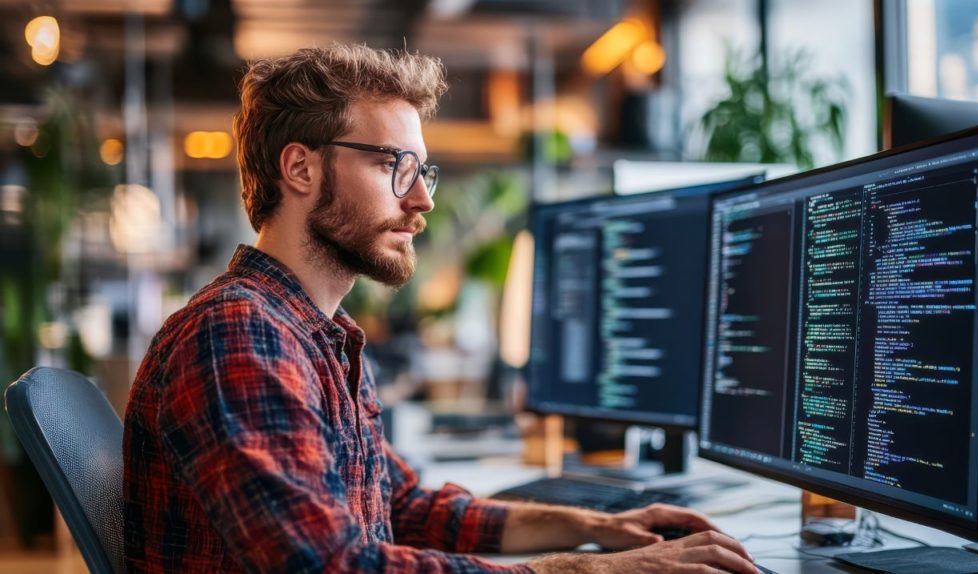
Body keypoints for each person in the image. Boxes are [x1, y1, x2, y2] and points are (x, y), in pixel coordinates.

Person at [122, 43, 759, 574]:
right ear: (300, 168)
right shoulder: (238, 333)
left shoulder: (317, 335)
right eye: (395, 166)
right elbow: (327, 565)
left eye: (423, 170)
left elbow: (403, 505)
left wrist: (600, 527)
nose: (421, 200)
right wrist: (584, 567)